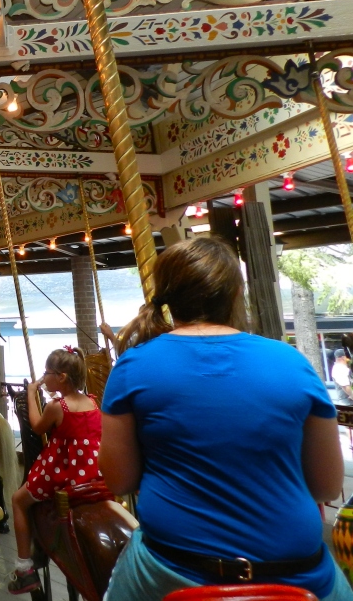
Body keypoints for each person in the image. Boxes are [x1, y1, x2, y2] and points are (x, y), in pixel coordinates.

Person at [100, 237, 349, 601]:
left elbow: (119, 479)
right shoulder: (291, 362)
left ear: (167, 298)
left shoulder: (134, 367)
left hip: (173, 568)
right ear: (235, 295)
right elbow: (327, 486)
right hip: (298, 571)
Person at [8, 347, 101, 594]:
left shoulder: (58, 406)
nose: (44, 377)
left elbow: (37, 427)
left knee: (18, 500)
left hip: (64, 471)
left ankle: (24, 567)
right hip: (93, 471)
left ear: (61, 377)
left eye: (47, 373)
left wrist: (30, 393)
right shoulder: (92, 401)